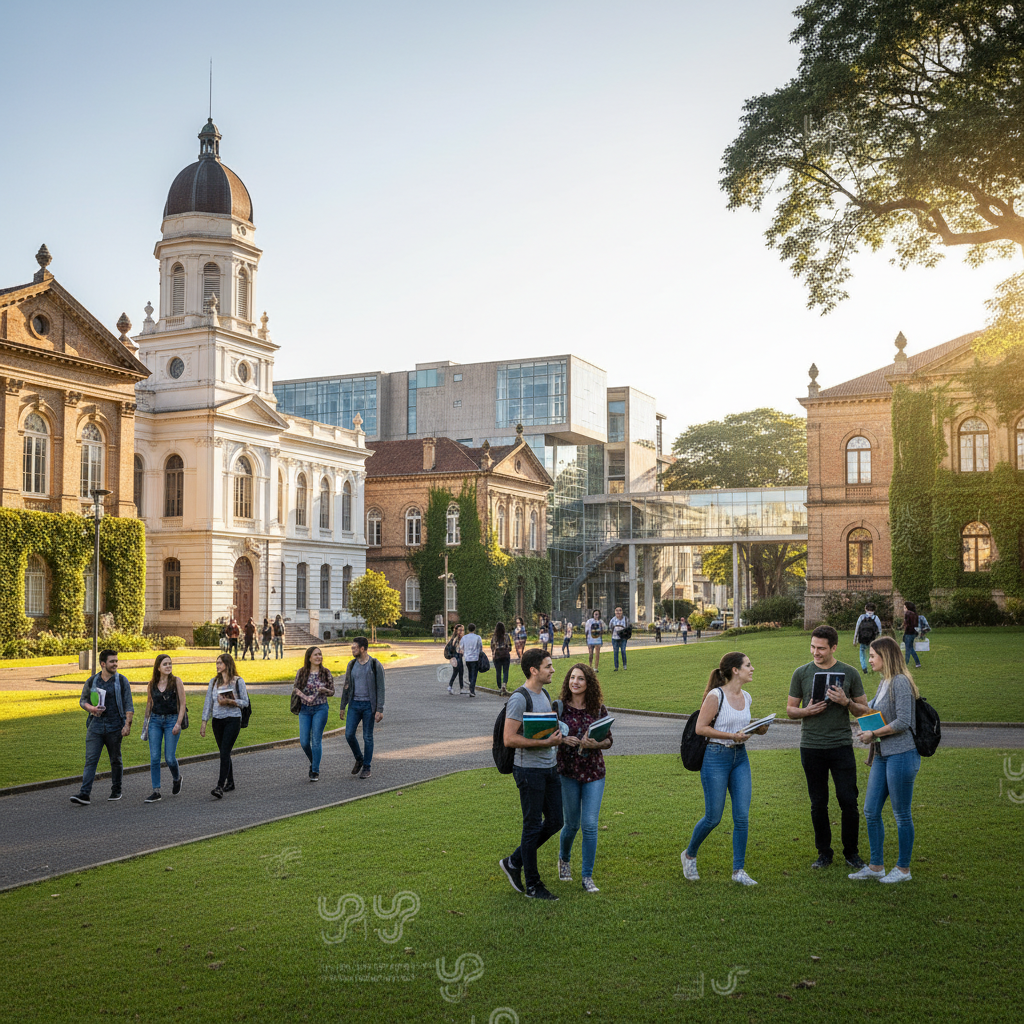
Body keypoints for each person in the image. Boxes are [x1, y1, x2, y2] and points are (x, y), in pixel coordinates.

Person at [681, 651, 769, 885]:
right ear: (735, 670)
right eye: (748, 665)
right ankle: (689, 855)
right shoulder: (715, 696)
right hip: (715, 758)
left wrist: (757, 728)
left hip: (740, 758)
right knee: (713, 817)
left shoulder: (747, 697)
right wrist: (731, 735)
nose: (752, 668)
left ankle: (738, 871)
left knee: (742, 817)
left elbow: (741, 729)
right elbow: (701, 728)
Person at [787, 625, 870, 870]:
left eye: (821, 648)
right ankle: (824, 853)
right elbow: (791, 710)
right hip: (811, 747)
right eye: (813, 647)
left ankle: (851, 853)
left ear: (834, 647)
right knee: (818, 802)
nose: (816, 652)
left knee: (848, 800)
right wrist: (806, 711)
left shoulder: (850, 672)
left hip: (841, 745)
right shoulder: (801, 673)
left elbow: (864, 710)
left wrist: (846, 702)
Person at [850, 637, 921, 883]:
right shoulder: (884, 682)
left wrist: (873, 734)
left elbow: (903, 721)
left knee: (901, 814)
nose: (869, 660)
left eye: (872, 656)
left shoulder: (900, 682)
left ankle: (903, 870)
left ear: (885, 656)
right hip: (882, 755)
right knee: (870, 810)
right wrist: (846, 702)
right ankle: (876, 866)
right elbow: (869, 710)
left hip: (902, 755)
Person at [498, 649, 564, 900]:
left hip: (549, 768)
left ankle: (514, 861)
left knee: (556, 820)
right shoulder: (519, 698)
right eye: (548, 666)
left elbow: (544, 731)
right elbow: (509, 738)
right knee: (532, 825)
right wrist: (544, 744)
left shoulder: (544, 694)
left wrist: (559, 738)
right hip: (529, 772)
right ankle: (533, 885)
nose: (553, 670)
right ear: (534, 670)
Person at [557, 663, 612, 893]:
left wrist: (596, 743)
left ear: (589, 683)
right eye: (572, 678)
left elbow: (609, 740)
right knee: (571, 825)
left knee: (589, 825)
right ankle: (564, 860)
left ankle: (587, 877)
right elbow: (548, 735)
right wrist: (562, 740)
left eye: (580, 679)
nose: (575, 682)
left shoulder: (598, 710)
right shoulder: (559, 708)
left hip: (594, 772)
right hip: (568, 772)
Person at [70, 650, 134, 805]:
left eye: (116, 661)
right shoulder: (92, 681)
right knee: (91, 760)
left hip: (114, 727)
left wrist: (127, 725)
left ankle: (116, 790)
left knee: (115, 759)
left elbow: (129, 705)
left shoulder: (121, 681)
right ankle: (84, 794)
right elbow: (82, 700)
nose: (115, 664)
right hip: (95, 727)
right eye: (112, 661)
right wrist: (91, 709)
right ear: (103, 664)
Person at [200, 652, 249, 799]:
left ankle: (220, 786)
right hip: (217, 720)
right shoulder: (214, 682)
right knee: (224, 751)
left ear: (227, 665)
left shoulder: (238, 681)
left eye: (220, 663)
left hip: (233, 719)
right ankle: (231, 782)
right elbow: (208, 702)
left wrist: (230, 702)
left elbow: (245, 702)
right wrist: (204, 722)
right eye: (217, 663)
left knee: (225, 751)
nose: (217, 666)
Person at [141, 654, 186, 802]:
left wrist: (178, 723)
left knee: (169, 758)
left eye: (170, 664)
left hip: (172, 720)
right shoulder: (152, 684)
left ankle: (177, 778)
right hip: (155, 721)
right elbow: (149, 704)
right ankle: (156, 791)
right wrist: (145, 726)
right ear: (158, 667)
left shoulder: (176, 681)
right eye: (165, 664)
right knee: (154, 757)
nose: (168, 666)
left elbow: (182, 705)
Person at [339, 636, 385, 779]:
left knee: (367, 737)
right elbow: (346, 686)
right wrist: (342, 706)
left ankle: (367, 767)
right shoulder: (351, 665)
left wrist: (379, 709)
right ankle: (359, 758)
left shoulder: (375, 664)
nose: (352, 650)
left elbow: (381, 688)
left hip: (368, 706)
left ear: (362, 649)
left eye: (354, 648)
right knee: (349, 734)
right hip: (354, 705)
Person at [293, 646, 335, 781]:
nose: (319, 657)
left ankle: (315, 771)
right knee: (304, 741)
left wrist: (324, 690)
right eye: (316, 655)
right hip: (305, 710)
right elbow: (296, 689)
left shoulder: (325, 672)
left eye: (320, 654)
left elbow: (332, 692)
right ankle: (314, 762)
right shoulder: (302, 672)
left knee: (316, 740)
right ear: (309, 657)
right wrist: (306, 698)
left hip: (320, 708)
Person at [853, 603, 882, 673]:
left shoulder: (861, 617)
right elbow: (879, 630)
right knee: (872, 654)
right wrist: (879, 639)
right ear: (874, 610)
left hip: (862, 639)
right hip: (872, 640)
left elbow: (857, 629)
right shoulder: (876, 618)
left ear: (865, 609)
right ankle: (873, 666)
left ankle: (864, 667)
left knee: (862, 653)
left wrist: (855, 640)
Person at [461, 623, 483, 697]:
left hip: (467, 658)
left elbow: (461, 647)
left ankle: (471, 685)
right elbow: (480, 647)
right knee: (474, 674)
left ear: (468, 629)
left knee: (470, 673)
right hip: (475, 658)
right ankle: (472, 690)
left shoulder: (464, 638)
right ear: (474, 629)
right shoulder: (478, 637)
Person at [491, 621, 512, 696]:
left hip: (497, 656)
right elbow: (510, 647)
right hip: (505, 656)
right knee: (505, 671)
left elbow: (492, 647)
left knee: (498, 672)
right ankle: (504, 684)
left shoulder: (494, 637)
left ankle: (500, 687)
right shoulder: (506, 636)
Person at [445, 624, 465, 694]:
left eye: (462, 630)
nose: (461, 632)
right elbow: (455, 648)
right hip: (456, 658)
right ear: (456, 631)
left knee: (458, 673)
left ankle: (453, 687)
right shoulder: (455, 639)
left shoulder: (460, 639)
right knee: (458, 672)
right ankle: (458, 688)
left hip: (458, 657)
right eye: (460, 630)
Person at [902, 601, 922, 668]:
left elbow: (907, 625)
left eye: (905, 607)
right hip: (913, 632)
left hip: (909, 633)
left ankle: (906, 663)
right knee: (910, 648)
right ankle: (917, 662)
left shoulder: (908, 614)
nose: (904, 609)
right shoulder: (915, 614)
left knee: (909, 648)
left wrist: (905, 632)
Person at [609, 606, 629, 671]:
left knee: (623, 651)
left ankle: (624, 665)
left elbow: (628, 628)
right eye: (617, 610)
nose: (618, 612)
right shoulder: (612, 620)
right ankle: (616, 667)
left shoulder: (625, 619)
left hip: (623, 638)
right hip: (615, 638)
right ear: (615, 612)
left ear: (622, 612)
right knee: (615, 652)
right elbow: (610, 627)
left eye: (620, 610)